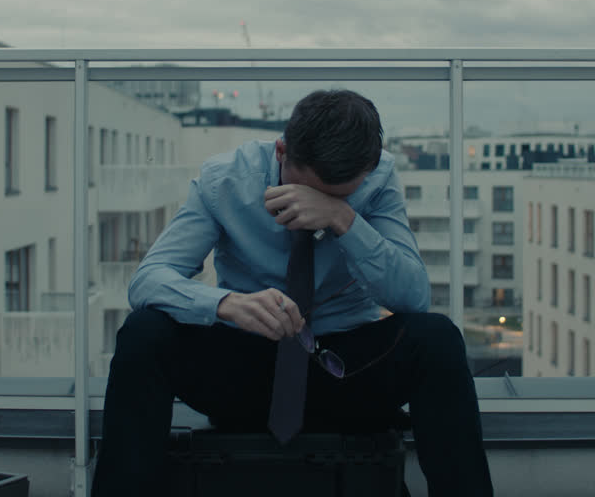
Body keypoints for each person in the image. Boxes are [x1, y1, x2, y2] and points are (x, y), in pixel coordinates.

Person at [91, 89, 494, 496]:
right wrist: (227, 305)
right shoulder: (226, 179)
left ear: (368, 170)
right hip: (245, 366)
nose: (312, 203)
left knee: (438, 339)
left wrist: (344, 219)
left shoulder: (379, 178)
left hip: (343, 369)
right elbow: (147, 281)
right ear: (282, 150)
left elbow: (412, 298)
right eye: (308, 189)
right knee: (143, 332)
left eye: (339, 193)